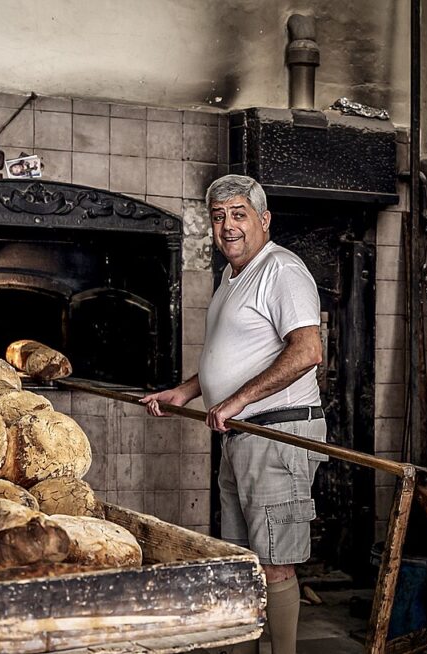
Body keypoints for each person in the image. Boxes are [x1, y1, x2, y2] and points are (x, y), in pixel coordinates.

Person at [141, 174, 327, 654]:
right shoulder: (231, 276)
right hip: (242, 433)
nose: (228, 226)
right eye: (219, 216)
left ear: (264, 220)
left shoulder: (281, 270)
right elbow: (237, 358)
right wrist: (187, 391)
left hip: (278, 433)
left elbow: (307, 351)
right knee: (243, 559)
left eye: (239, 214)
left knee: (275, 562)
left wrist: (238, 399)